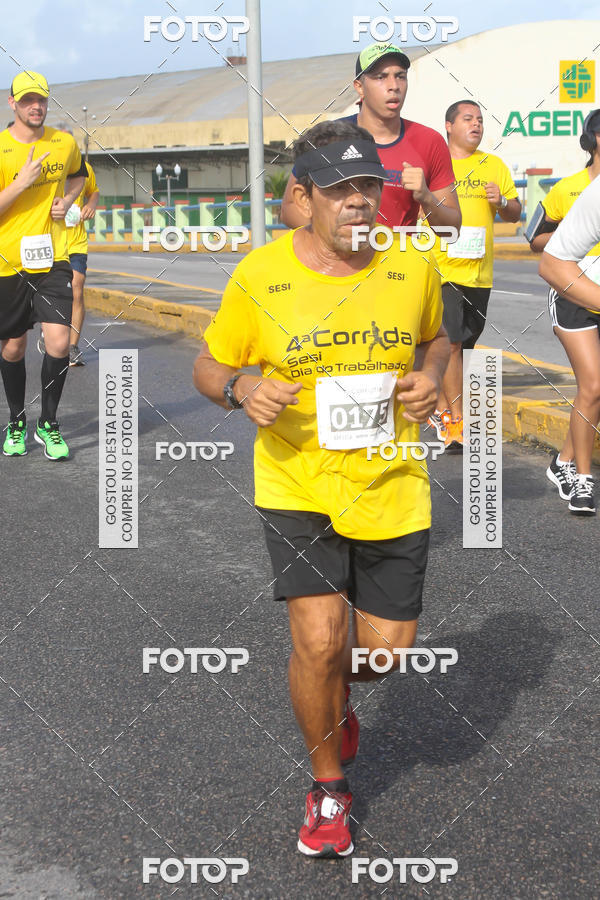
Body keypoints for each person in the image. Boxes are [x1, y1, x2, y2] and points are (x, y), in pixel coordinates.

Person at [193, 119, 450, 858]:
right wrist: (241, 388)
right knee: (317, 640)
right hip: (297, 482)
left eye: (367, 185)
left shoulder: (411, 268)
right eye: (339, 189)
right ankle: (328, 785)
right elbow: (209, 365)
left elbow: (438, 336)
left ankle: (334, 700)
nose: (358, 200)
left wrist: (431, 376)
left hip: (392, 483)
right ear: (303, 198)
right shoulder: (262, 275)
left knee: (383, 655)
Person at [280, 42, 460, 235]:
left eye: (400, 76)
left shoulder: (430, 141)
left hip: (399, 254)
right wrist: (344, 239)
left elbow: (451, 229)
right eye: (380, 77)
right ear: (359, 87)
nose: (393, 86)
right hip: (341, 253)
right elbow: (289, 209)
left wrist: (426, 197)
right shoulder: (329, 138)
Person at [0, 71, 87, 460]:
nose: (36, 106)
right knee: (13, 347)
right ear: (12, 103)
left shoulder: (63, 142)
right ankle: (16, 420)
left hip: (53, 259)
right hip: (7, 264)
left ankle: (48, 424)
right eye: (27, 100)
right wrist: (20, 183)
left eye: (41, 100)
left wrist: (67, 201)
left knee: (59, 343)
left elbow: (79, 177)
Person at [429, 100, 521, 450]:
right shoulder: (434, 165)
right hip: (441, 269)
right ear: (449, 126)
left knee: (465, 345)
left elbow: (515, 213)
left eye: (480, 120)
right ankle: (456, 421)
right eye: (468, 119)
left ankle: (441, 406)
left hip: (479, 272)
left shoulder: (493, 165)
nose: (476, 125)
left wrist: (502, 202)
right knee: (451, 342)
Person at [537, 116, 600, 515]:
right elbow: (539, 243)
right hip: (574, 293)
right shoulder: (574, 189)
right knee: (593, 386)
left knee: (595, 392)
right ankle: (581, 477)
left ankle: (562, 460)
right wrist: (571, 232)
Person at [38, 126, 99, 366]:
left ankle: (72, 347)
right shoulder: (43, 167)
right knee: (45, 293)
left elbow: (94, 192)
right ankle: (50, 328)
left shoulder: (85, 169)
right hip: (47, 241)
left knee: (76, 288)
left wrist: (91, 205)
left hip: (75, 242)